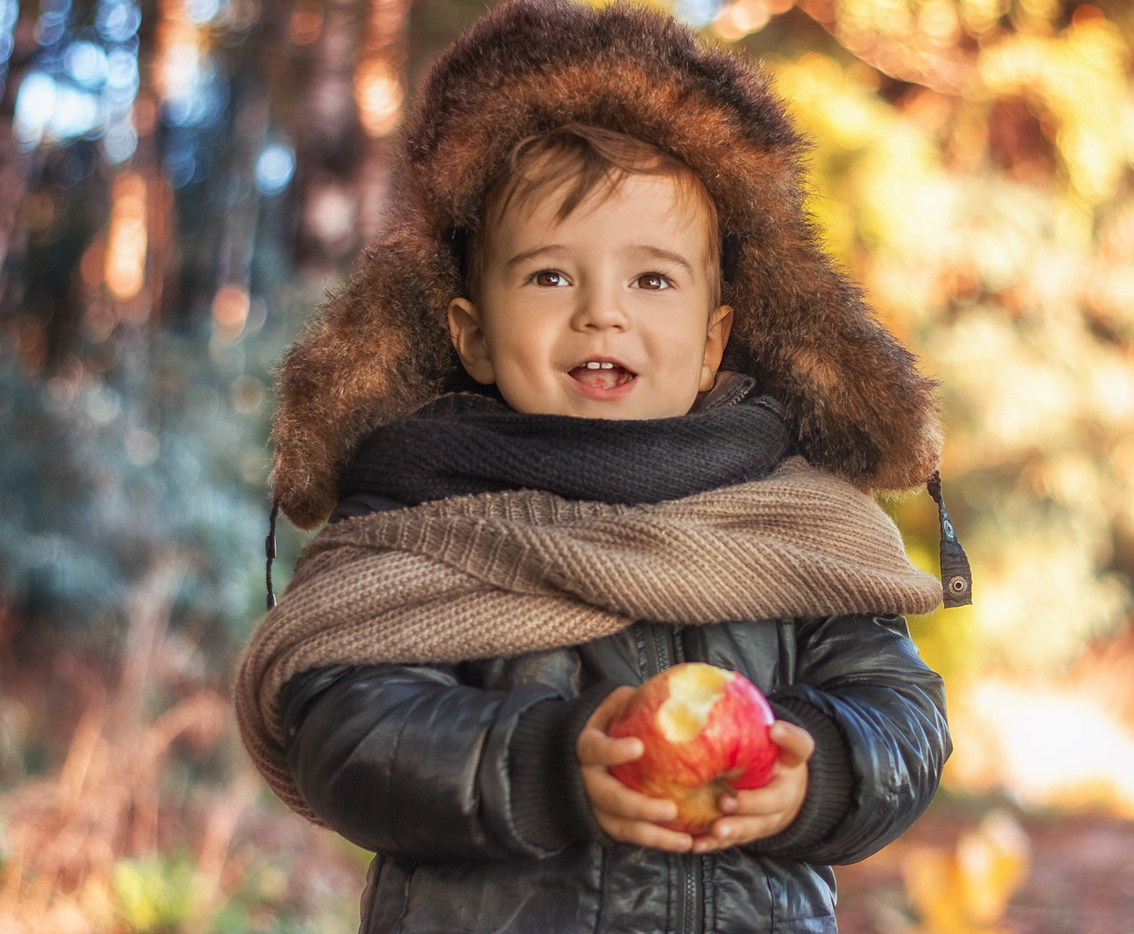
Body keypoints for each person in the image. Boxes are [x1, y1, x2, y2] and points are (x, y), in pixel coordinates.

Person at [235, 2, 958, 931]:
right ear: (474, 335)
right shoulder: (428, 517)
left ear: (713, 340)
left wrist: (817, 764)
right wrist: (548, 763)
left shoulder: (791, 523)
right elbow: (346, 732)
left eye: (651, 279)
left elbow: (902, 710)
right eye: (549, 276)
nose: (601, 314)